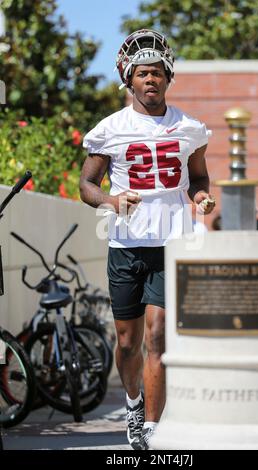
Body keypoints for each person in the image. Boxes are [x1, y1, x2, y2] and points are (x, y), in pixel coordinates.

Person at [79, 29, 215, 450]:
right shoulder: (111, 128)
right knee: (127, 341)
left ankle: (153, 431)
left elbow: (198, 177)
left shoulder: (188, 128)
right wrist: (112, 200)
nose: (151, 80)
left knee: (157, 335)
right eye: (142, 73)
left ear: (168, 78)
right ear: (129, 79)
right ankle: (134, 402)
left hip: (170, 242)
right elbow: (86, 184)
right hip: (124, 244)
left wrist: (202, 197)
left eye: (157, 72)